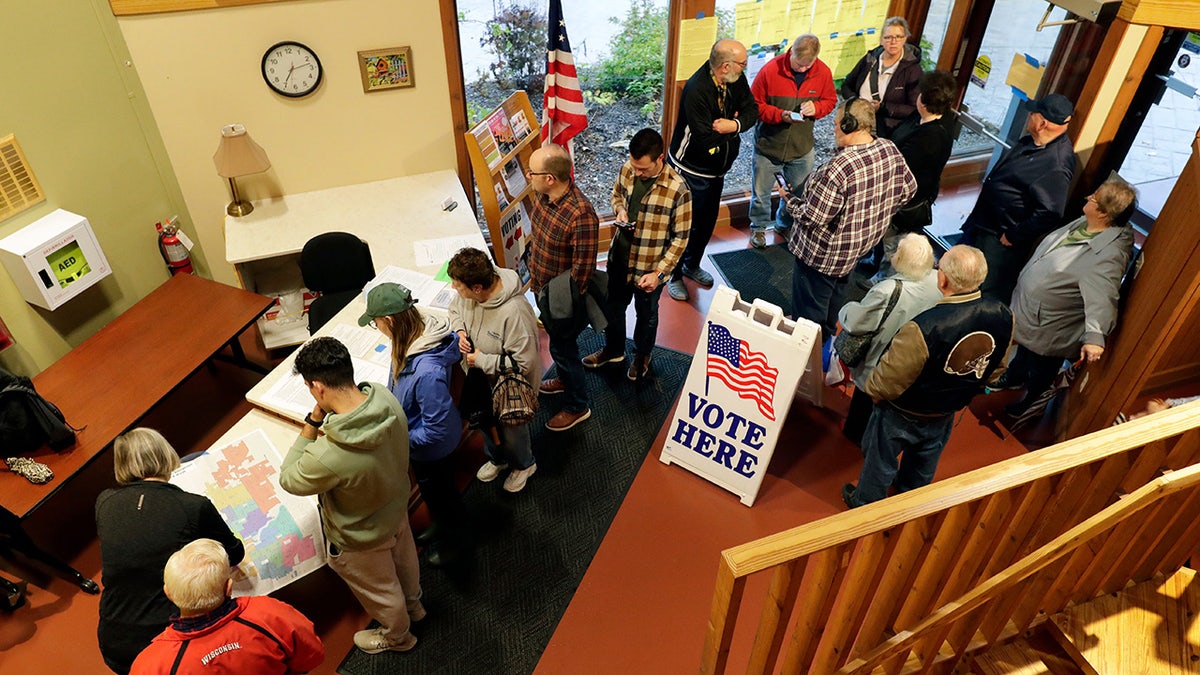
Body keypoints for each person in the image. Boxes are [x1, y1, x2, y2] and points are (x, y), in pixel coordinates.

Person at [279, 337, 424, 655]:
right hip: (395, 506)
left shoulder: (328, 455)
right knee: (406, 564)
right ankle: (415, 606)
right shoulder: (383, 396)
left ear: (317, 387)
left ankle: (399, 636)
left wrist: (313, 421)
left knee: (382, 592)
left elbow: (289, 477)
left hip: (361, 535)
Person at [842, 245, 1014, 508]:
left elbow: (887, 381)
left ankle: (865, 505)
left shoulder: (924, 326)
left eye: (939, 266)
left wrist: (875, 394)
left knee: (880, 463)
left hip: (902, 412)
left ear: (943, 279)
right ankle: (908, 505)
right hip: (946, 413)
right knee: (922, 467)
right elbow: (997, 369)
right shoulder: (1003, 315)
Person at [95, 428, 245, 675]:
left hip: (114, 638)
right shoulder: (193, 506)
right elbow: (234, 553)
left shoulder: (105, 501)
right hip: (169, 642)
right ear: (166, 454)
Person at [777, 97, 916, 342]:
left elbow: (812, 217)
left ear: (850, 125)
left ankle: (806, 365)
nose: (833, 128)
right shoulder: (889, 149)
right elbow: (908, 190)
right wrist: (875, 211)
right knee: (832, 311)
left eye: (837, 123)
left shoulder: (837, 169)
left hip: (820, 258)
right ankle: (825, 348)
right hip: (854, 253)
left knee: (808, 320)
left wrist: (789, 200)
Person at [997, 178, 1138, 419]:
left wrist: (1095, 336)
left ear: (1104, 214)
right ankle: (1014, 377)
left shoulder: (1107, 256)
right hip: (1034, 313)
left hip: (1052, 323)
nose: (1087, 198)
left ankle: (1030, 406)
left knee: (1042, 367)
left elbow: (1103, 298)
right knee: (1026, 351)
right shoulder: (1088, 222)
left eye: (1094, 199)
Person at [358, 282, 469, 567]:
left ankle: (455, 540)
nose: (377, 327)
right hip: (416, 438)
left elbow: (437, 429)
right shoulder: (411, 336)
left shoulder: (426, 372)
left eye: (377, 322)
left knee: (443, 493)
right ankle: (440, 521)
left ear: (391, 320)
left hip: (431, 448)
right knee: (433, 491)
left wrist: (399, 440)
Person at [582, 128, 691, 380]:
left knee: (647, 316)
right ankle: (613, 350)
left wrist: (659, 273)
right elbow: (617, 194)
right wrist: (619, 210)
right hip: (619, 259)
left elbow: (681, 238)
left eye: (643, 169)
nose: (637, 173)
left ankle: (642, 356)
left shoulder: (679, 190)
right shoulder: (627, 169)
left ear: (660, 158)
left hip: (649, 269)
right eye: (634, 167)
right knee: (614, 308)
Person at [129, 539, 324, 674]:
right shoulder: (270, 615)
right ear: (229, 587)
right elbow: (312, 654)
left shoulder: (151, 665)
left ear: (168, 593)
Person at [666, 38, 759, 301]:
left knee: (706, 223)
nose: (745, 68)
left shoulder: (735, 78)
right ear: (726, 65)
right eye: (742, 64)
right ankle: (672, 274)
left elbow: (753, 110)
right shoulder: (697, 90)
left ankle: (692, 265)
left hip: (717, 171)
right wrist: (734, 129)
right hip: (690, 170)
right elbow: (705, 137)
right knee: (682, 225)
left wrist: (733, 126)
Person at [961, 93, 1077, 302]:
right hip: (983, 223)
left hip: (999, 241)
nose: (1028, 116)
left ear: (1042, 123)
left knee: (979, 292)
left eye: (1033, 113)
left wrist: (1014, 234)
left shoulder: (1055, 165)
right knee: (958, 272)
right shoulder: (1031, 141)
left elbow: (1050, 212)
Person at [447, 247, 542, 493]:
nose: (454, 289)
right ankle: (497, 459)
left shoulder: (514, 313)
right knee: (484, 422)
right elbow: (455, 308)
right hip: (480, 382)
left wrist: (481, 359)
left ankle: (524, 464)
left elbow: (525, 363)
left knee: (513, 431)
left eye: (458, 285)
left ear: (477, 288)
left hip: (511, 388)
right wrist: (459, 331)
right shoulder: (469, 295)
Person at [838, 233, 942, 446]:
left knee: (865, 399)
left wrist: (846, 309)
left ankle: (855, 435)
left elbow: (857, 323)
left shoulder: (887, 289)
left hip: (879, 359)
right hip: (913, 361)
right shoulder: (938, 282)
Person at [526, 143, 599, 432]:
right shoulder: (543, 197)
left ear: (550, 178)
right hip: (541, 289)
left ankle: (577, 405)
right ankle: (565, 380)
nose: (528, 175)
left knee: (565, 350)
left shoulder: (581, 214)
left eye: (532, 172)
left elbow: (583, 271)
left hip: (562, 300)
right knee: (559, 348)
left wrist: (560, 307)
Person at [747, 33, 837, 248]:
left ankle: (784, 224)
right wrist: (780, 115)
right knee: (761, 193)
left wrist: (817, 108)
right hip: (768, 145)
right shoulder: (770, 70)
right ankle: (758, 228)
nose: (803, 69)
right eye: (799, 64)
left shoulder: (823, 72)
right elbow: (754, 105)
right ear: (791, 53)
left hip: (801, 147)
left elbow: (830, 100)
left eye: (808, 66)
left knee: (798, 192)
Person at [876, 69, 959, 272]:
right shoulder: (928, 119)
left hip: (907, 200)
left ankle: (884, 277)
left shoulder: (930, 137)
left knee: (894, 242)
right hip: (906, 195)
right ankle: (876, 264)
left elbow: (901, 165)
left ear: (923, 101)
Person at [839, 17, 923, 139]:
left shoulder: (913, 69)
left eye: (898, 37)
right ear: (881, 40)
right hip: (857, 121)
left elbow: (914, 109)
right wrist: (856, 103)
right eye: (888, 37)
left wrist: (882, 108)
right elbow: (847, 85)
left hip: (886, 130)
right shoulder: (870, 59)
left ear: (905, 38)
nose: (893, 41)